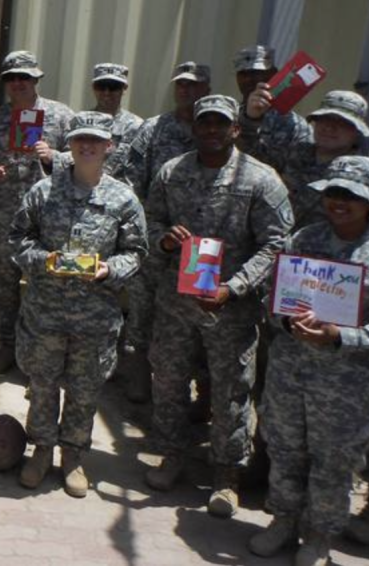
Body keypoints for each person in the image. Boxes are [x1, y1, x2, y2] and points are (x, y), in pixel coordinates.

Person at [143, 94, 293, 517]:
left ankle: (227, 476)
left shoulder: (260, 180)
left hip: (230, 307)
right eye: (204, 122)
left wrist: (236, 286)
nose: (211, 129)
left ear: (235, 129)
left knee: (230, 391)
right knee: (169, 380)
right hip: (177, 301)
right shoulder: (173, 172)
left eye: (219, 124)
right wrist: (165, 239)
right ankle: (173, 455)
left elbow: (276, 243)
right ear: (195, 127)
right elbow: (150, 220)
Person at [247, 156, 369, 566]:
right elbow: (273, 304)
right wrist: (287, 319)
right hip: (292, 372)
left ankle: (319, 536)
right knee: (285, 449)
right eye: (333, 192)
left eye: (351, 195)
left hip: (348, 385)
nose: (338, 202)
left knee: (334, 463)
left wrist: (340, 335)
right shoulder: (303, 240)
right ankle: (283, 521)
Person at [9, 112, 148, 497]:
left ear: (109, 147)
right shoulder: (43, 192)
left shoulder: (122, 199)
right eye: (79, 140)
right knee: (42, 384)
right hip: (46, 310)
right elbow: (18, 239)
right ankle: (41, 450)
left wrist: (109, 269)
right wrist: (43, 260)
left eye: (95, 141)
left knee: (85, 389)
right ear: (68, 146)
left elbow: (136, 253)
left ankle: (73, 456)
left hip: (95, 315)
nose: (86, 146)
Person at [0, 50, 73, 373]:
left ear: (36, 79)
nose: (17, 84)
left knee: (49, 289)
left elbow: (85, 162)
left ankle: (44, 355)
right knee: (4, 288)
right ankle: (8, 346)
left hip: (48, 222)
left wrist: (53, 157)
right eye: (11, 79)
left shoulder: (62, 116)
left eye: (24, 77)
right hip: (4, 219)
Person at [120, 61, 213, 403]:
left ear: (208, 89)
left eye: (195, 85)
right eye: (181, 85)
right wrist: (150, 224)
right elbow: (132, 178)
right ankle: (139, 378)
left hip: (202, 248)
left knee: (200, 318)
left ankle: (201, 391)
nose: (187, 90)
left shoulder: (215, 128)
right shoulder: (154, 129)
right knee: (143, 310)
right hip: (157, 239)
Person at [274, 91, 369, 230]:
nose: (329, 127)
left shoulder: (365, 174)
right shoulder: (295, 152)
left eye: (342, 122)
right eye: (324, 119)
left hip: (322, 249)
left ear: (357, 131)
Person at [234, 45, 312, 173]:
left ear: (274, 74)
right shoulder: (227, 114)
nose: (249, 79)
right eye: (243, 74)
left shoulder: (295, 124)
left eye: (257, 73)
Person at [83, 63, 144, 186]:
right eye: (101, 86)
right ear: (93, 88)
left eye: (113, 87)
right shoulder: (81, 122)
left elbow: (140, 171)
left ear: (124, 89)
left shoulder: (137, 127)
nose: (107, 92)